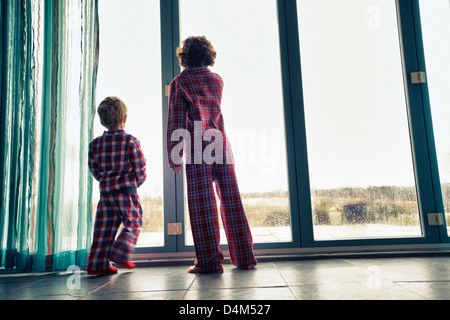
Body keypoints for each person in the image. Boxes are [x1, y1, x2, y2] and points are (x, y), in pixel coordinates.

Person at [167, 36, 257, 273]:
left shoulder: (180, 82)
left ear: (184, 57)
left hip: (197, 147)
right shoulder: (217, 80)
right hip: (221, 144)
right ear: (209, 55)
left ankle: (209, 262)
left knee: (202, 205)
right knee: (231, 199)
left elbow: (176, 120)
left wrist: (174, 156)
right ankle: (245, 257)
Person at [86, 96, 146, 275]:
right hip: (126, 192)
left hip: (106, 193)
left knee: (103, 230)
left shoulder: (95, 144)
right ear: (124, 118)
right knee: (134, 222)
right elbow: (139, 167)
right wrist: (137, 181)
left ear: (102, 121)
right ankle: (120, 252)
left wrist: (105, 181)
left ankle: (97, 264)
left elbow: (94, 169)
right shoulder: (130, 141)